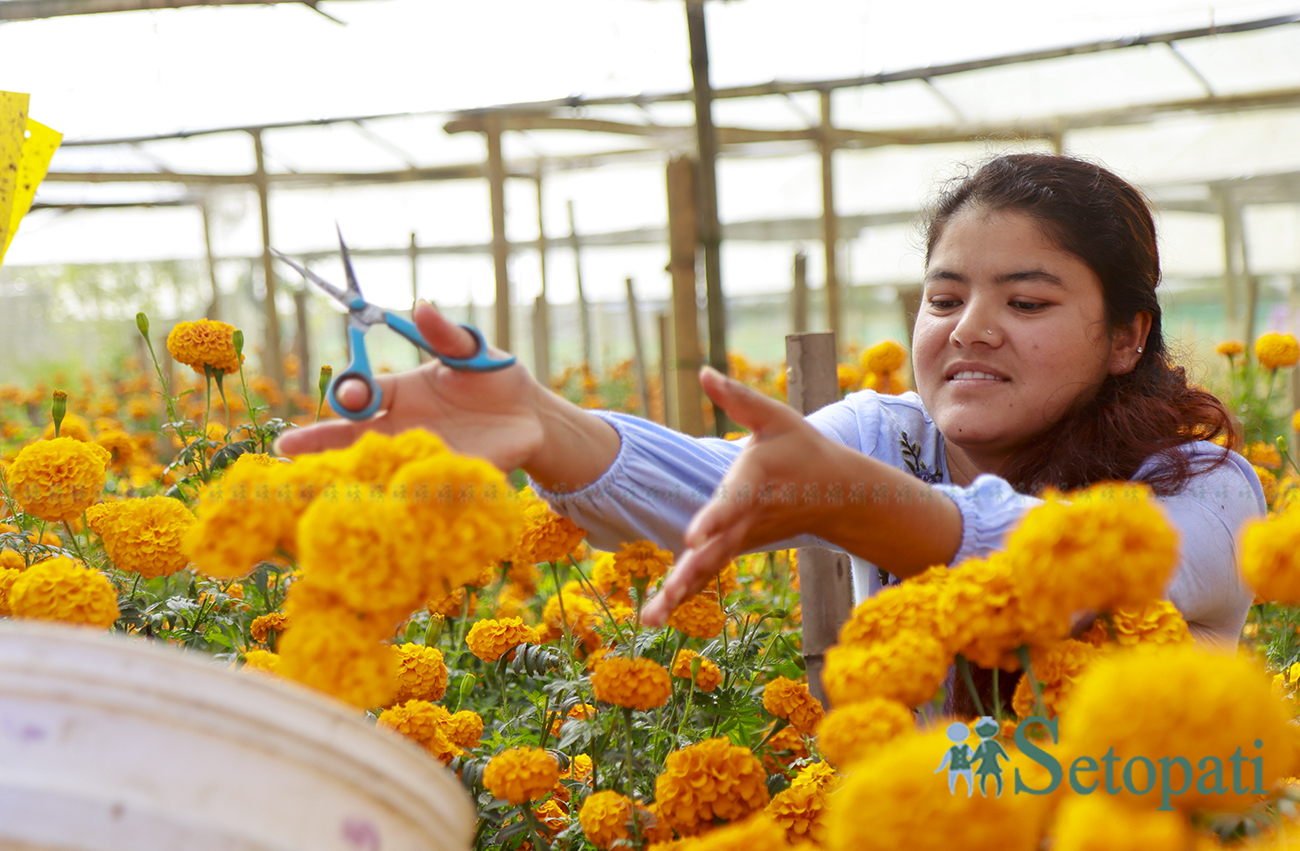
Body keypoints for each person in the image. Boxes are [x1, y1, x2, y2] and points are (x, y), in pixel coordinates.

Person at [274, 153, 1261, 664]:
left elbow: (1071, 567)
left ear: (1127, 335)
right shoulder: (890, 436)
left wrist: (847, 499)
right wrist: (543, 420)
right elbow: (711, 488)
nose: (969, 329)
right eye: (946, 297)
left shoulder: (1206, 489)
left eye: (1027, 301)